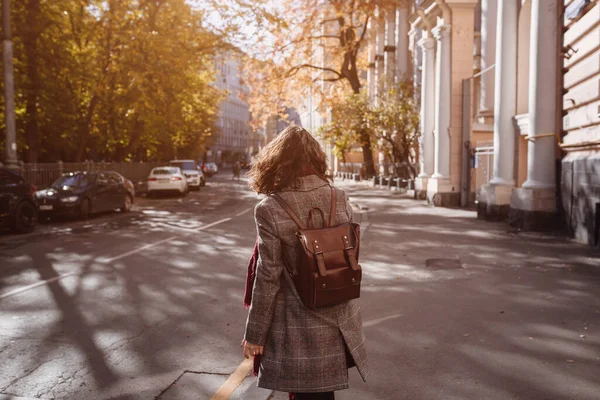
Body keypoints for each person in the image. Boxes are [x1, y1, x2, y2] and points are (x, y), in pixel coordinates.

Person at [242, 125, 368, 399]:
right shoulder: (339, 196)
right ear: (315, 158)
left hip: (298, 323)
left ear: (275, 162)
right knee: (324, 395)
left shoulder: (270, 208)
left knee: (306, 395)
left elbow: (268, 275)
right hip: (338, 314)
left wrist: (255, 334)